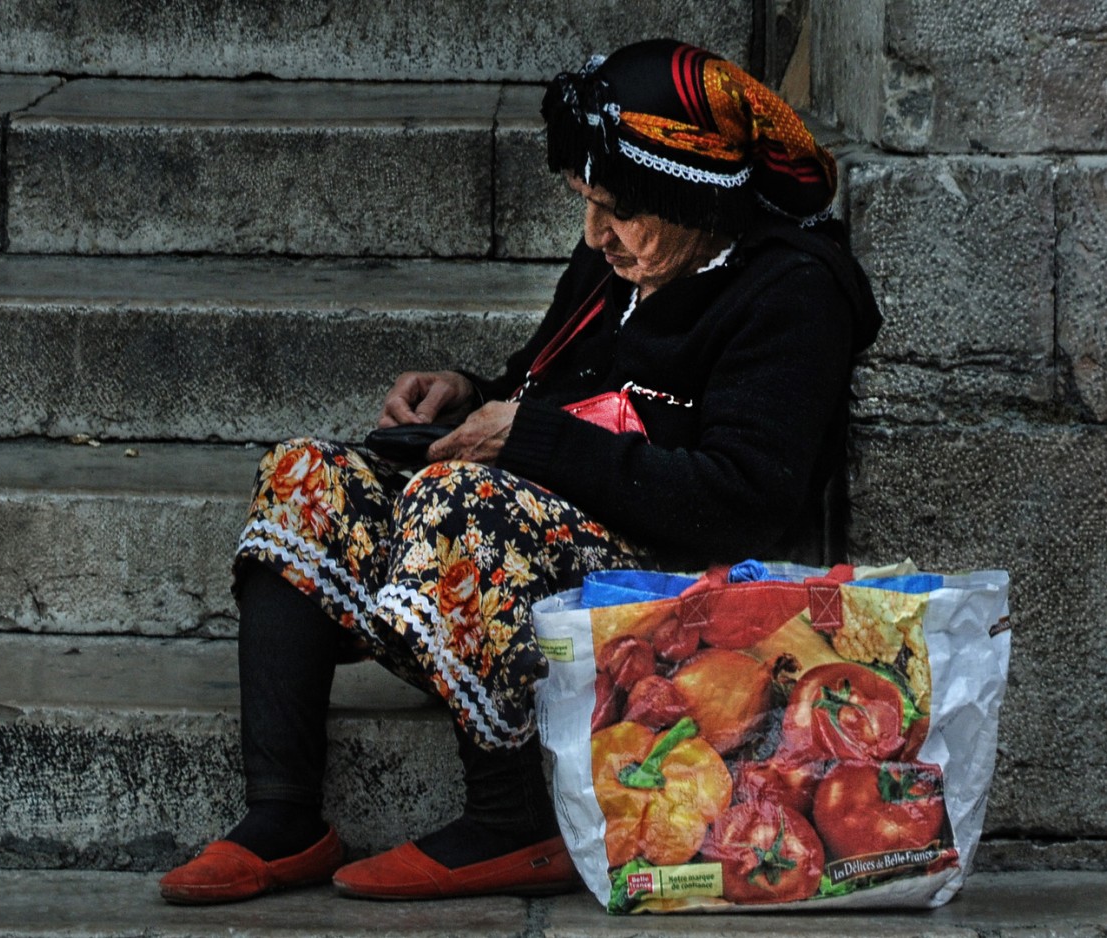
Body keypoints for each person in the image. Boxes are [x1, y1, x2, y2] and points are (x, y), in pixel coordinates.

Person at [158, 38, 881, 904]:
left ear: (689, 196)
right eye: (585, 204)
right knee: (305, 474)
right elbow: (552, 389)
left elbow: (743, 501)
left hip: (682, 606)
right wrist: (470, 394)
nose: (593, 233)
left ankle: (513, 819)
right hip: (537, 551)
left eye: (614, 209)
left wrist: (527, 439)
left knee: (463, 505)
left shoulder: (795, 292)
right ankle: (283, 818)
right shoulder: (623, 260)